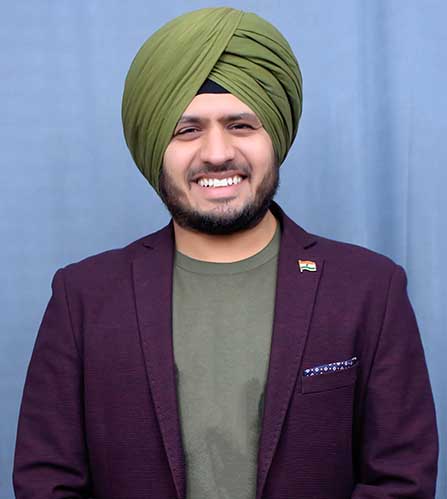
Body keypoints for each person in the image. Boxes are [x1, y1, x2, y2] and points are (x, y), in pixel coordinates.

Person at [13, 6, 438, 499]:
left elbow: (400, 480)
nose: (217, 153)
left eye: (240, 125)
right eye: (188, 130)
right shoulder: (83, 298)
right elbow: (47, 482)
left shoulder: (369, 289)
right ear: (155, 147)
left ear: (274, 137)